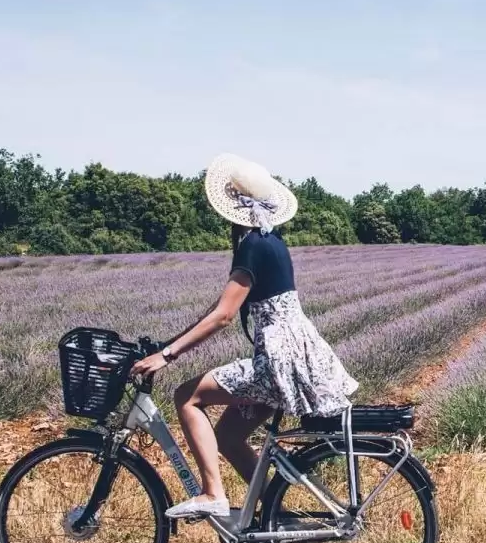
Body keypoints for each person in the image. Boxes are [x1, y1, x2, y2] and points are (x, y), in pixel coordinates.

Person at [131, 153, 358, 519]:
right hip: (292, 359)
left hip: (275, 362)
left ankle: (212, 493)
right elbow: (217, 308)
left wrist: (167, 356)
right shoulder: (272, 240)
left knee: (186, 396)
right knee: (228, 438)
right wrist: (167, 343)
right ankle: (274, 515)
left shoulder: (252, 245)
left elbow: (223, 316)